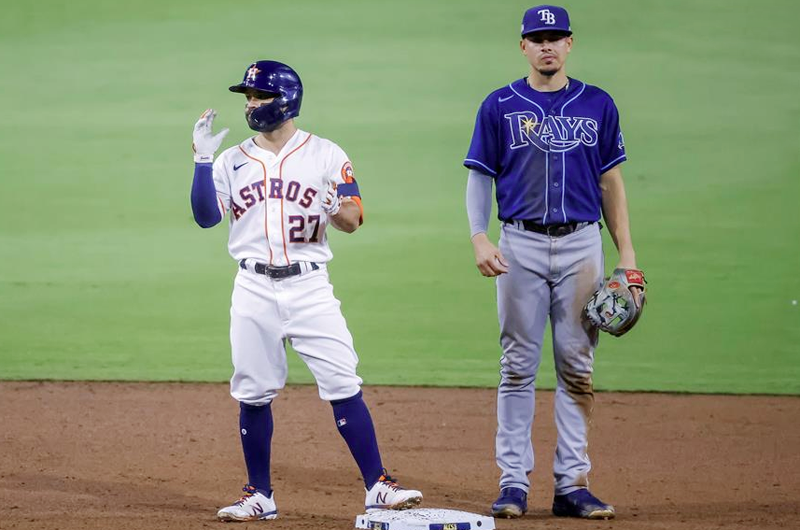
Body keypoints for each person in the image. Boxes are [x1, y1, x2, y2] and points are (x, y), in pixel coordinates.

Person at [190, 60, 422, 522]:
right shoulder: (231, 160)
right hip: (252, 286)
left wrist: (335, 206)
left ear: (286, 101)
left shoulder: (326, 154)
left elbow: (353, 220)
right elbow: (204, 217)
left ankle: (378, 486)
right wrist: (200, 162)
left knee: (342, 381)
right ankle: (260, 495)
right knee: (253, 391)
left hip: (310, 285)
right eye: (248, 98)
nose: (251, 105)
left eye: (259, 97)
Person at [464, 5, 642, 520]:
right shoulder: (499, 105)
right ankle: (513, 484)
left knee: (577, 368)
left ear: (570, 43)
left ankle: (572, 485)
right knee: (517, 367)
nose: (547, 46)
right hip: (517, 244)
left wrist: (626, 255)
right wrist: (479, 237)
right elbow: (480, 177)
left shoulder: (598, 104)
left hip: (582, 245)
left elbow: (611, 182)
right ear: (523, 46)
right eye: (537, 38)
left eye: (555, 37)